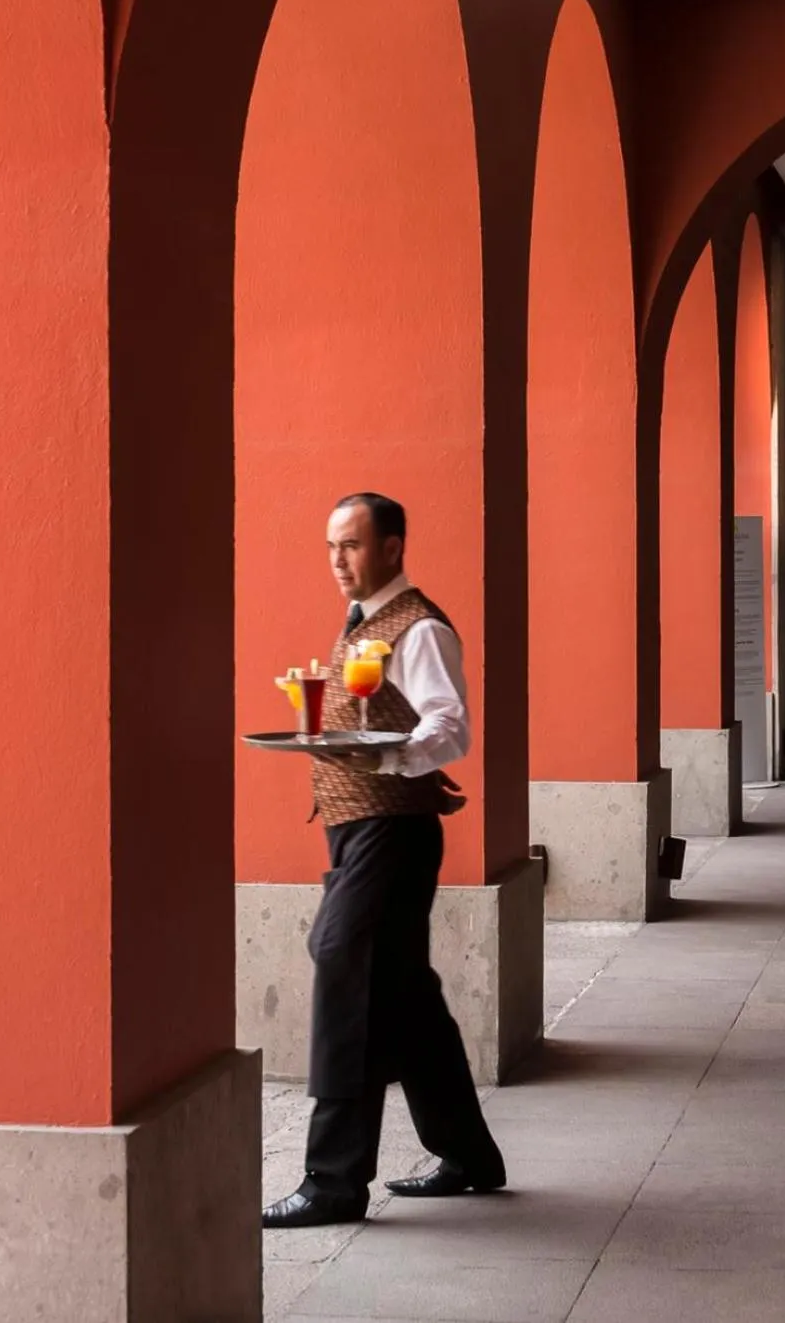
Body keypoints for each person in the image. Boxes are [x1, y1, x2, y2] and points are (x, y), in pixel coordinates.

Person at [262, 492, 505, 1230]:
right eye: (332, 546)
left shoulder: (419, 627)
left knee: (341, 961)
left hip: (391, 832)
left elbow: (451, 726)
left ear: (393, 546)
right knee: (402, 995)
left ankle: (333, 1179)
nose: (339, 561)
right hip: (358, 828)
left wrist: (395, 755)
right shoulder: (362, 623)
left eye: (354, 545)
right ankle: (468, 1153)